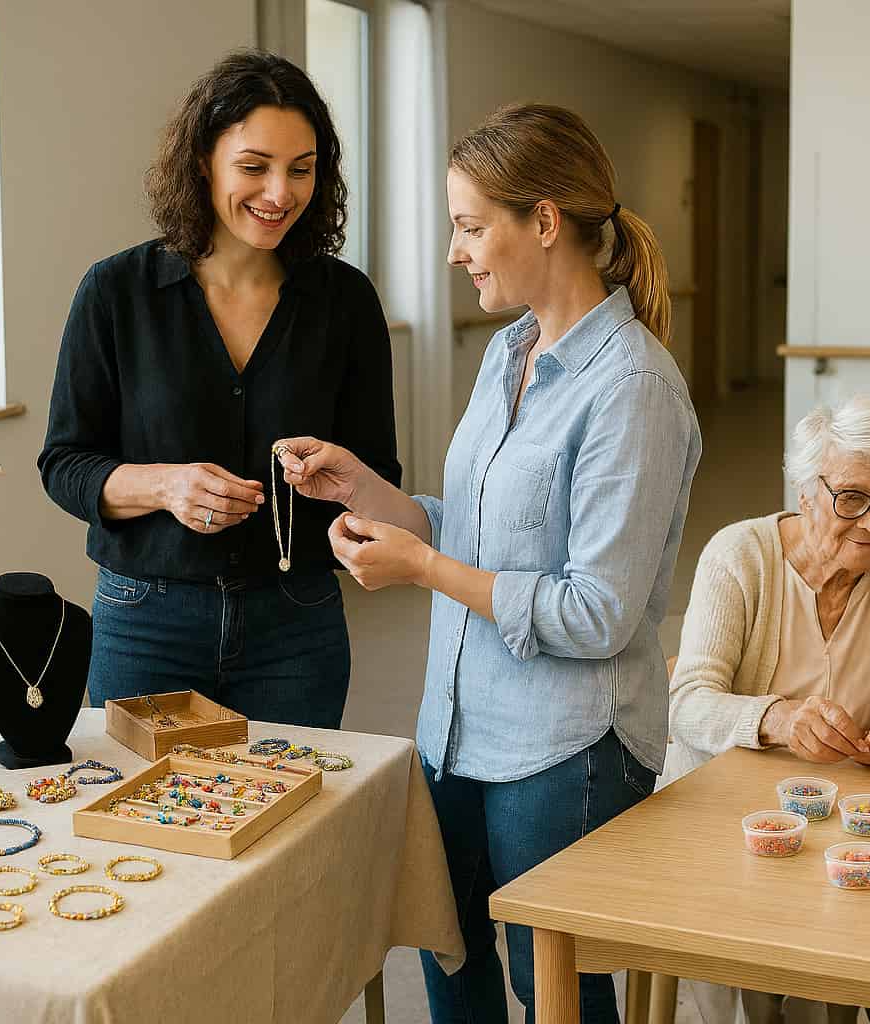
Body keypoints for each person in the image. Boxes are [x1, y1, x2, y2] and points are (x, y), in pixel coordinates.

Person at [277, 103, 700, 1023]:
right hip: (454, 729)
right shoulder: (507, 353)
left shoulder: (633, 390)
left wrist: (424, 570)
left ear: (543, 222)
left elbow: (599, 613)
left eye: (471, 227)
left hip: (564, 746)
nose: (457, 250)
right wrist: (364, 492)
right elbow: (468, 528)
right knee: (446, 954)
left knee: (549, 982)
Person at [39, 50, 397, 727]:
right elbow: (64, 464)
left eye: (301, 169)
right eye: (254, 167)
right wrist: (164, 486)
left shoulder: (345, 302)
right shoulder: (115, 293)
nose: (280, 193)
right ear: (203, 160)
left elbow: (378, 471)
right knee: (143, 828)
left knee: (296, 825)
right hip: (146, 623)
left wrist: (347, 493)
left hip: (297, 624)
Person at [666, 394, 870, 1024]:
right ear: (806, 488)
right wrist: (778, 719)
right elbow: (685, 702)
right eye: (852, 498)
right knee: (749, 955)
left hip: (851, 820)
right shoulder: (741, 555)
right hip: (727, 811)